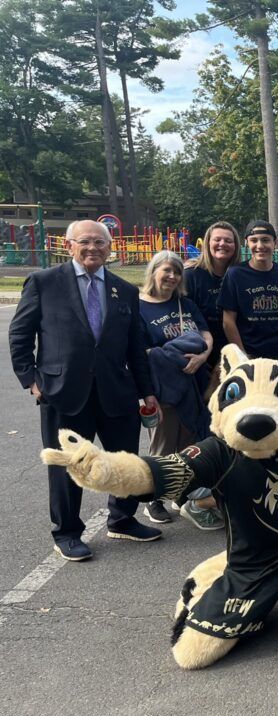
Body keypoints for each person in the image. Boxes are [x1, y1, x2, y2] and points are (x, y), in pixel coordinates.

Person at [9, 219, 161, 560]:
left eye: (100, 243)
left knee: (125, 461)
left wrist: (147, 391)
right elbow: (20, 335)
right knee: (67, 466)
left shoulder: (125, 290)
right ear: (69, 246)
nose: (93, 248)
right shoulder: (44, 282)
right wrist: (31, 381)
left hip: (116, 391)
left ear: (110, 249)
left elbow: (135, 348)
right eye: (85, 242)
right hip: (62, 391)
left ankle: (122, 519)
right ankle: (66, 532)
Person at [137, 251, 222, 530]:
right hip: (162, 385)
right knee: (162, 442)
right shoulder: (138, 306)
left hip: (192, 382)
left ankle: (181, 493)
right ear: (153, 272)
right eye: (167, 271)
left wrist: (202, 355)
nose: (172, 277)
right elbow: (138, 351)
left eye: (177, 272)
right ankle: (154, 498)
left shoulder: (184, 304)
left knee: (189, 442)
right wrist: (168, 358)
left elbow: (205, 334)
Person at [218, 220, 278, 360]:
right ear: (246, 243)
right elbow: (228, 321)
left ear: (275, 243)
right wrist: (241, 354)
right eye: (254, 240)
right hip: (250, 354)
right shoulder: (235, 274)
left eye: (265, 240)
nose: (260, 246)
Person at [185, 221, 241, 376]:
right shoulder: (191, 275)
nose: (222, 244)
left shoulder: (241, 275)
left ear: (235, 246)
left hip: (235, 353)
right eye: (217, 239)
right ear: (207, 243)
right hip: (199, 355)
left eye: (228, 241)